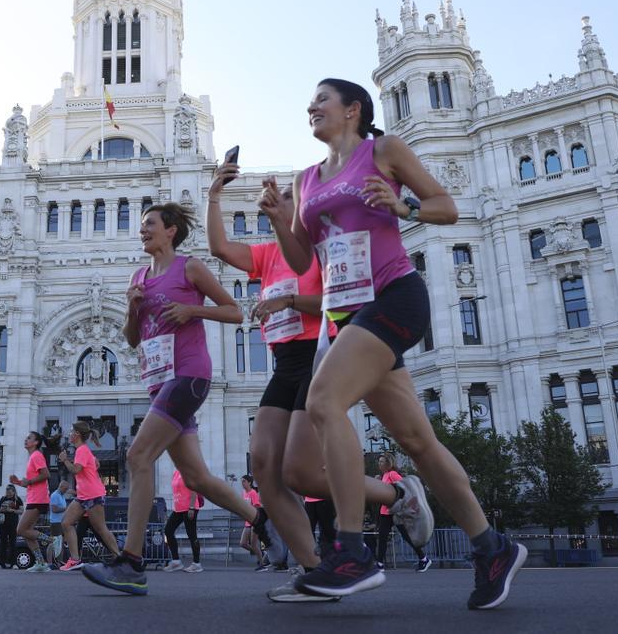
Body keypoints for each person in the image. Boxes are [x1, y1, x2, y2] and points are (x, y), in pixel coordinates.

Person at [262, 78, 525, 609]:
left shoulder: (383, 151)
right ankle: (492, 547)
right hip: (347, 312)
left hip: (395, 297)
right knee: (415, 443)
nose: (310, 106)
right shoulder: (306, 178)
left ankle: (353, 552)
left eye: (321, 100)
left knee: (323, 401)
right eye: (309, 101)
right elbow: (300, 261)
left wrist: (402, 209)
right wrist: (276, 218)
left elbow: (446, 207)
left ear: (352, 109)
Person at [206, 161, 433, 600]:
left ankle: (394, 493)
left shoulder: (319, 249)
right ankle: (312, 567)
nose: (281, 202)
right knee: (266, 470)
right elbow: (218, 248)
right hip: (283, 363)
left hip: (318, 356)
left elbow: (338, 300)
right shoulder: (268, 255)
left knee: (304, 473)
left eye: (291, 198)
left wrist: (289, 300)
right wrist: (215, 193)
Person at [83, 203, 274, 596]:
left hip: (188, 374)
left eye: (149, 225)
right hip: (158, 380)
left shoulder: (189, 268)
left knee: (138, 457)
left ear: (171, 231)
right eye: (141, 226)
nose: (142, 231)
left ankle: (132, 562)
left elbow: (234, 311)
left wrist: (191, 309)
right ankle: (263, 520)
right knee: (196, 477)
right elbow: (133, 338)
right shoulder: (139, 277)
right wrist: (133, 307)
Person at [57, 421, 121, 571]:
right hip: (84, 495)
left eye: (71, 431)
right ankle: (75, 560)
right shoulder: (83, 450)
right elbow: (94, 464)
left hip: (92, 495)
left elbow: (76, 469)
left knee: (101, 529)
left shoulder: (82, 450)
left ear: (77, 434)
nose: (69, 434)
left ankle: (120, 558)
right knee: (66, 523)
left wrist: (65, 459)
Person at [374, 454, 431, 572]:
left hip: (396, 512)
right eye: (379, 461)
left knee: (407, 537)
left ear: (388, 463)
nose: (379, 464)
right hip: (385, 512)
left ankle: (423, 558)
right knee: (382, 537)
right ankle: (379, 564)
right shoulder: (384, 475)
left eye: (381, 462)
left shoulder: (392, 474)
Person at [9, 431, 52, 572]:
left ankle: (52, 540)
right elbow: (30, 483)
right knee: (28, 531)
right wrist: (18, 482)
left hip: (38, 499)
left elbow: (46, 474)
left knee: (21, 530)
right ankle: (41, 562)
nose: (26, 440)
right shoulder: (33, 457)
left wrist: (29, 481)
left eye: (29, 438)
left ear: (36, 442)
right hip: (35, 497)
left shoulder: (36, 455)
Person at [163, 469, 203, 573]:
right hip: (178, 509)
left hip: (189, 507)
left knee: (191, 534)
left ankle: (196, 563)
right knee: (168, 530)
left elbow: (194, 488)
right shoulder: (175, 472)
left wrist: (191, 507)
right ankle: (176, 561)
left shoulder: (188, 470)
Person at [239, 475, 268, 570]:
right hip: (247, 521)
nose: (242, 483)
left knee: (254, 544)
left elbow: (257, 507)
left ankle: (262, 564)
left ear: (249, 482)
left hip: (254, 521)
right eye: (242, 481)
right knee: (243, 543)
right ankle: (262, 554)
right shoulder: (244, 493)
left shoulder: (253, 493)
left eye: (244, 481)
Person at [0, 485, 22, 568]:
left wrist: (12, 510)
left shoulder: (17, 499)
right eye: (7, 491)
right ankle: (1, 563)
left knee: (13, 543)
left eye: (10, 491)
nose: (8, 493)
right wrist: (2, 510)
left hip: (13, 524)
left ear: (13, 491)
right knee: (3, 543)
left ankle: (13, 563)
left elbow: (22, 511)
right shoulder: (3, 499)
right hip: (3, 523)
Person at [48, 480, 69, 565]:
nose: (66, 490)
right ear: (61, 487)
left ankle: (59, 561)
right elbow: (54, 509)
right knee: (53, 543)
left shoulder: (61, 496)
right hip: (55, 523)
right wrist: (65, 509)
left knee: (61, 543)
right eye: (65, 489)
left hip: (61, 522)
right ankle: (50, 562)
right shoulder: (55, 495)